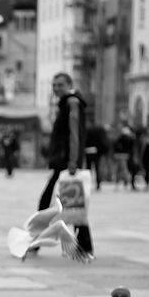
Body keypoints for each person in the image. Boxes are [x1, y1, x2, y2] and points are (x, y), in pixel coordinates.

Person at [38, 72, 93, 255]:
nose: (56, 88)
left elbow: (74, 133)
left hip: (66, 162)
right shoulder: (66, 104)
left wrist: (73, 160)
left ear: (70, 84)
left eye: (60, 85)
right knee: (72, 203)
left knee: (48, 201)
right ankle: (85, 244)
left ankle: (36, 238)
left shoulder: (72, 103)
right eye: (54, 85)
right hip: (63, 160)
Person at [84, 124, 107, 190]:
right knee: (97, 167)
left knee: (88, 168)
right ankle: (98, 183)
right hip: (96, 151)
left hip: (88, 150)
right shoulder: (99, 131)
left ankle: (88, 182)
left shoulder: (88, 131)